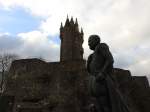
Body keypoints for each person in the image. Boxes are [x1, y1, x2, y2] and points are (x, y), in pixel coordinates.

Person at [87, 35, 130, 112]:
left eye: (90, 40)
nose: (88, 43)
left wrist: (102, 73)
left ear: (96, 40)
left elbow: (110, 59)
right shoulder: (92, 55)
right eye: (88, 41)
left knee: (106, 105)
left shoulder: (101, 46)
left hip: (102, 80)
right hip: (94, 81)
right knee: (99, 105)